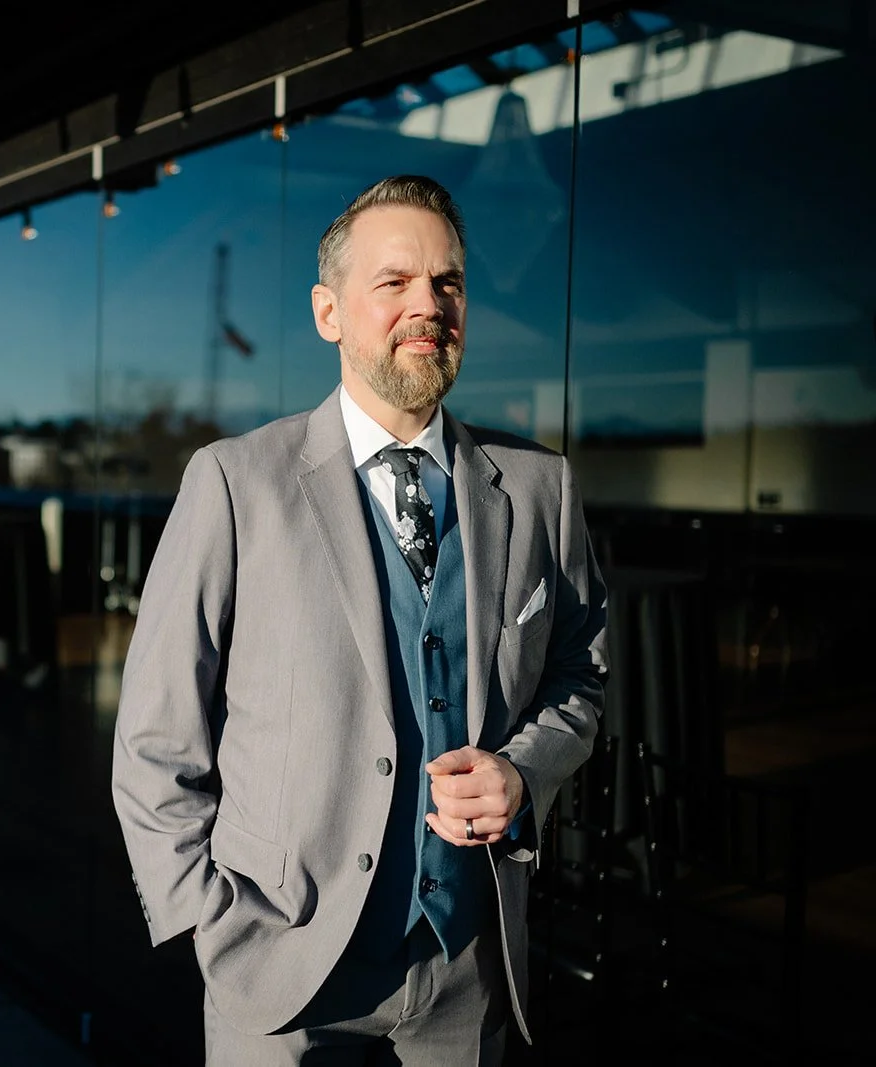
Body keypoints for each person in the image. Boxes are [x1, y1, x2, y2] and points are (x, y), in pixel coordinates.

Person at [111, 174, 610, 1065]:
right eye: (395, 282)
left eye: (447, 283)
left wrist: (524, 774)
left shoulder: (541, 487)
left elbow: (584, 673)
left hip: (467, 972)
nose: (429, 304)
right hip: (280, 972)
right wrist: (205, 920)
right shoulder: (233, 483)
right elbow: (156, 738)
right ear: (328, 312)